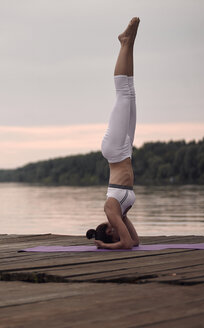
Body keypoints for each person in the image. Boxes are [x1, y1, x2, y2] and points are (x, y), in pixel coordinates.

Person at [86, 17, 141, 249]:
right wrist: (117, 238)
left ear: (109, 231)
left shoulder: (111, 209)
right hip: (125, 151)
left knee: (123, 95)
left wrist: (103, 246)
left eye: (113, 234)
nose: (117, 231)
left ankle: (125, 42)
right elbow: (135, 242)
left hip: (115, 150)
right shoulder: (123, 212)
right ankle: (129, 44)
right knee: (130, 92)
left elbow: (126, 244)